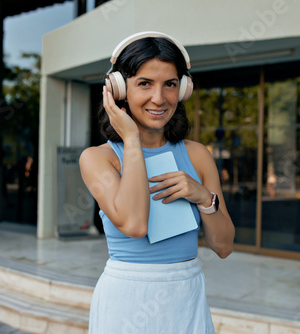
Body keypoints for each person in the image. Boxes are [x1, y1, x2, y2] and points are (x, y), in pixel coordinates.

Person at [79, 31, 235, 334]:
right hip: (127, 298)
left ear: (183, 89)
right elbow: (135, 225)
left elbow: (224, 246)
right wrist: (132, 141)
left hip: (187, 295)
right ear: (120, 89)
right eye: (144, 84)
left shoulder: (197, 155)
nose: (159, 98)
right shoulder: (99, 159)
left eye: (170, 84)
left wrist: (205, 198)